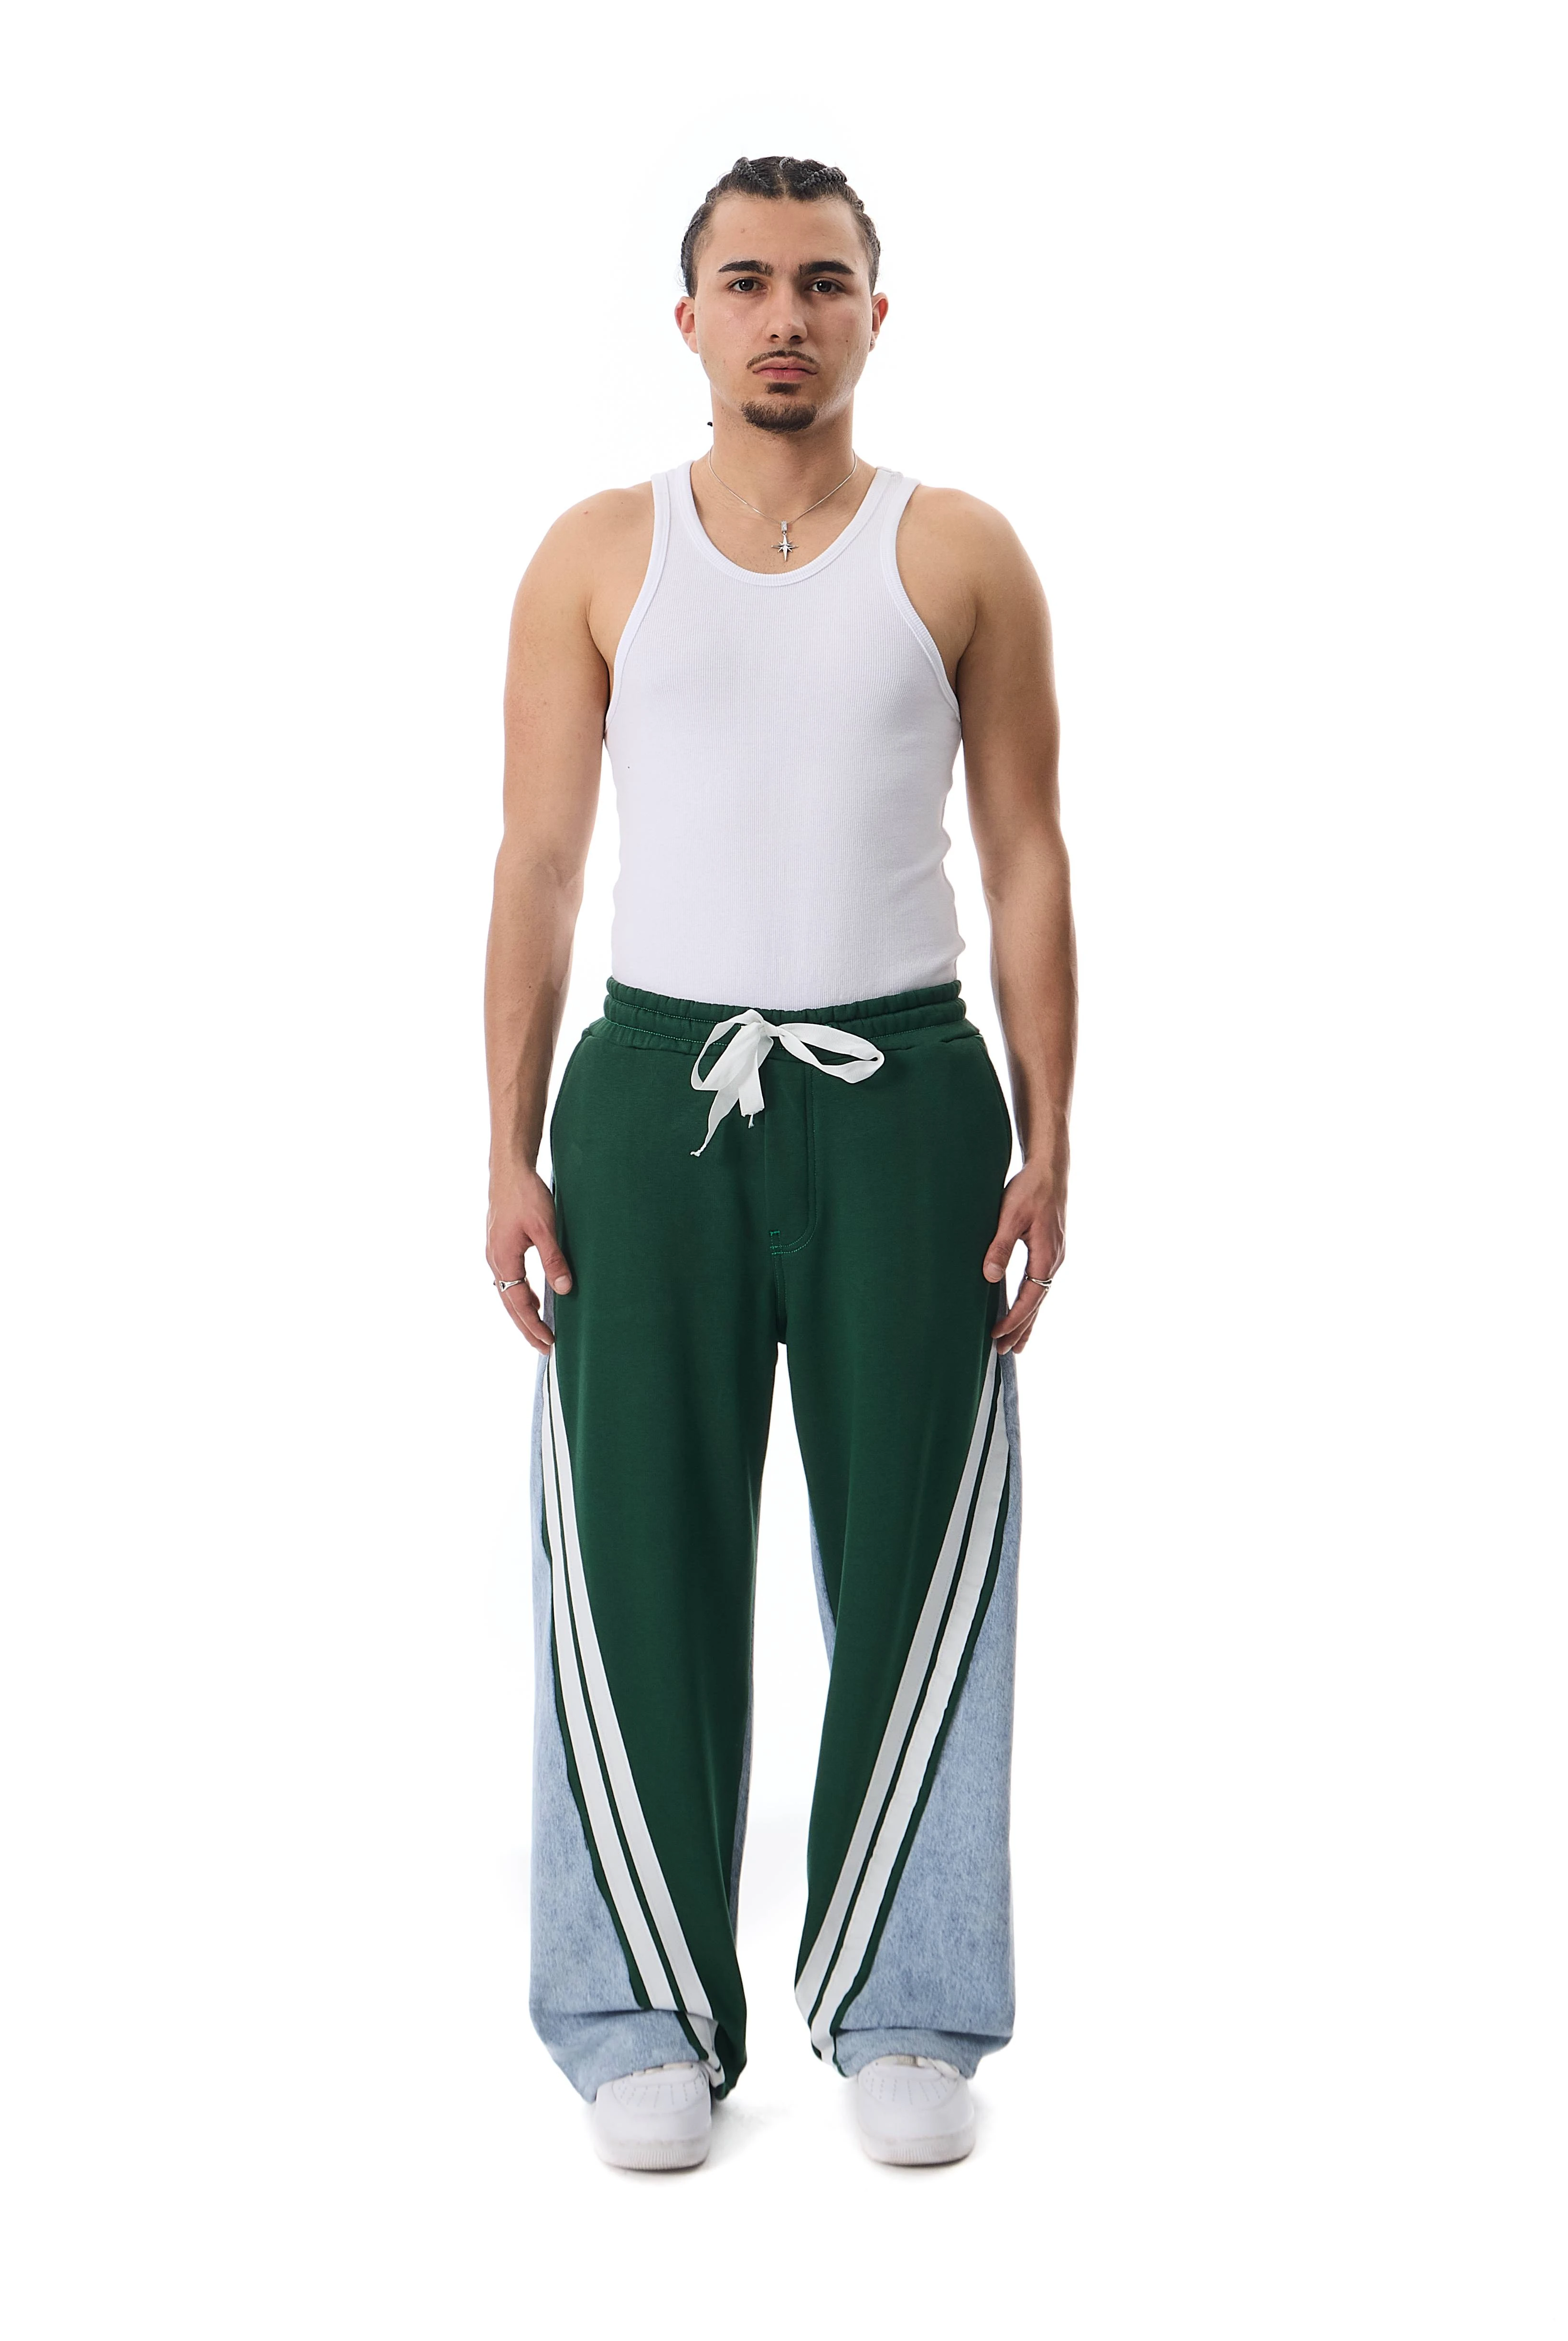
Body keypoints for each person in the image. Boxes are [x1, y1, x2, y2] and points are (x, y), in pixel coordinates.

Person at [483, 154, 1076, 2170]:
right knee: (634, 1547)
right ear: (689, 319)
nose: (784, 317)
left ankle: (909, 2006)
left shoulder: (960, 551)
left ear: (874, 316)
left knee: (919, 1548)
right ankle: (639, 2011)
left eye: (822, 282)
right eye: (745, 282)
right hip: (653, 1100)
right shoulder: (597, 553)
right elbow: (538, 863)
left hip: (907, 1093)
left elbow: (1023, 857)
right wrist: (505, 1146)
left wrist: (1052, 1133)